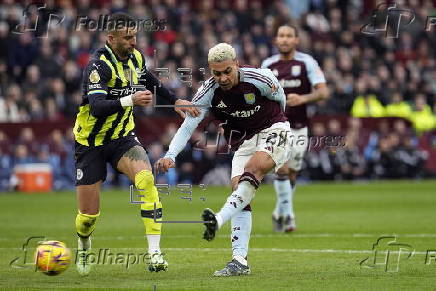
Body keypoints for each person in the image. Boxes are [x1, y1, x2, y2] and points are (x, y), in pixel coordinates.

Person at [73, 13, 199, 276]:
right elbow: (96, 108)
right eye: (128, 37)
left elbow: (150, 80)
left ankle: (155, 254)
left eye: (134, 36)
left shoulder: (136, 57)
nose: (133, 41)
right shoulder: (98, 65)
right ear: (111, 38)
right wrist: (130, 100)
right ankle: (84, 245)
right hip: (90, 143)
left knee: (146, 181)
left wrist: (175, 100)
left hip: (122, 138)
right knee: (87, 219)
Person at [155, 43, 291, 276]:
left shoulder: (260, 78)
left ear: (236, 64)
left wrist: (282, 136)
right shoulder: (208, 91)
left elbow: (281, 100)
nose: (223, 77)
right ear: (210, 71)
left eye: (227, 71)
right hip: (243, 142)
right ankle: (239, 260)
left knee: (253, 169)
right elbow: (189, 125)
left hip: (273, 129)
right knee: (239, 190)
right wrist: (170, 155)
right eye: (216, 73)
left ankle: (217, 220)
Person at [261, 23, 328, 232]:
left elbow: (323, 92)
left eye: (289, 36)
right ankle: (289, 217)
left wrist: (304, 98)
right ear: (275, 40)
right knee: (282, 168)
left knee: (292, 173)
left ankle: (279, 211)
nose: (285, 39)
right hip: (276, 127)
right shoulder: (267, 64)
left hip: (299, 127)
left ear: (296, 40)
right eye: (281, 36)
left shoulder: (307, 62)